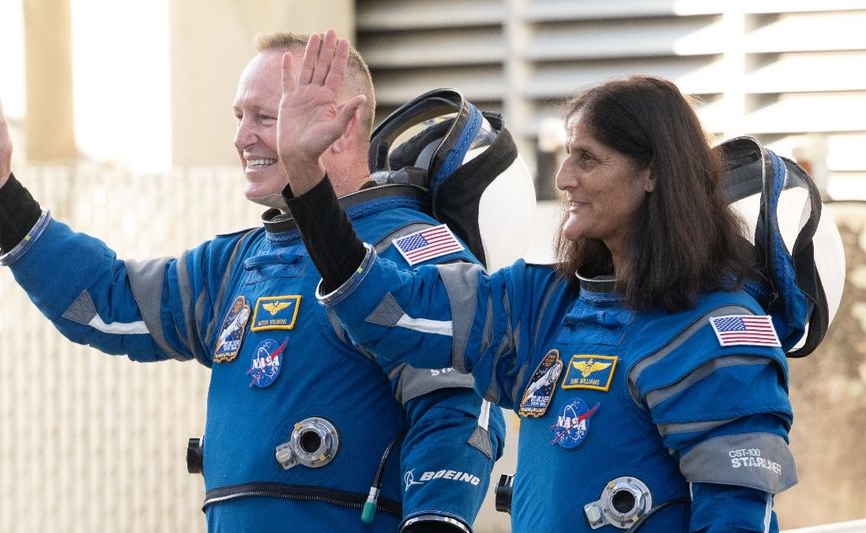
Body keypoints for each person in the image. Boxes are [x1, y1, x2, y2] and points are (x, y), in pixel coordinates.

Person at [0, 30, 504, 532]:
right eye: (239, 117)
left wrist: (437, 520)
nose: (242, 138)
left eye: (265, 117)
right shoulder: (240, 262)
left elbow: (459, 406)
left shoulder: (408, 248)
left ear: (341, 124)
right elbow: (104, 302)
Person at [276, 37, 797, 532]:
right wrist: (306, 174)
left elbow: (736, 519)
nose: (564, 176)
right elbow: (387, 310)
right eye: (566, 153)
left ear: (653, 174)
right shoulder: (543, 303)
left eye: (587, 158)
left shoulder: (716, 332)